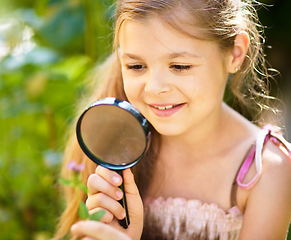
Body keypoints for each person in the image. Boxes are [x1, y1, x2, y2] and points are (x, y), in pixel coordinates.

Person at [53, 0, 291, 239]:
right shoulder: (111, 146)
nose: (155, 88)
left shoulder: (266, 171)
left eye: (179, 66)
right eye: (136, 66)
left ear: (235, 53)